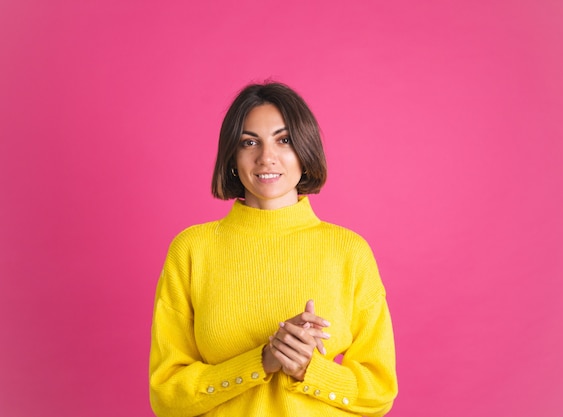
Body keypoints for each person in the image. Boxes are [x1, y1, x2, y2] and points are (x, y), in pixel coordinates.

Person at [149, 82, 397, 417]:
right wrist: (261, 361)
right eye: (249, 142)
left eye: (284, 140)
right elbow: (167, 396)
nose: (267, 157)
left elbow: (379, 393)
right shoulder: (192, 250)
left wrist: (307, 369)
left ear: (304, 151)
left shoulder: (349, 252)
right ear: (232, 158)